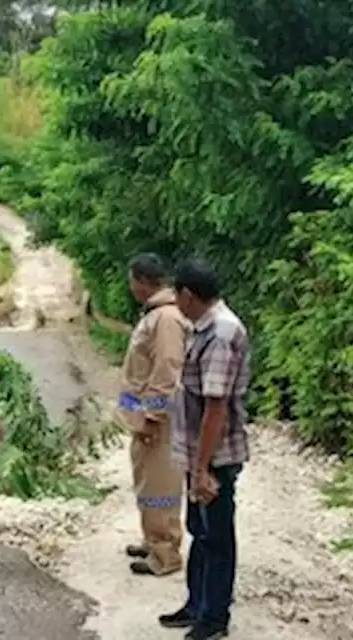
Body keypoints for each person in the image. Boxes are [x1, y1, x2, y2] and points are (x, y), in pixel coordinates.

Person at [158, 259, 250, 640]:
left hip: (214, 457)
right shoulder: (204, 327)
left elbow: (216, 408)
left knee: (217, 536)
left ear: (187, 294)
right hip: (199, 453)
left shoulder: (222, 334)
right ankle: (197, 605)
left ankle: (214, 619)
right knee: (200, 529)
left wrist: (202, 470)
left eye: (176, 294)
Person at [119, 253, 190, 577]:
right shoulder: (155, 314)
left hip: (157, 421)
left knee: (161, 485)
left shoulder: (166, 319)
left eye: (132, 279)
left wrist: (152, 415)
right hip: (142, 417)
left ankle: (166, 553)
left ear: (144, 281)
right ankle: (152, 540)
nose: (130, 286)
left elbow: (167, 369)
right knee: (147, 481)